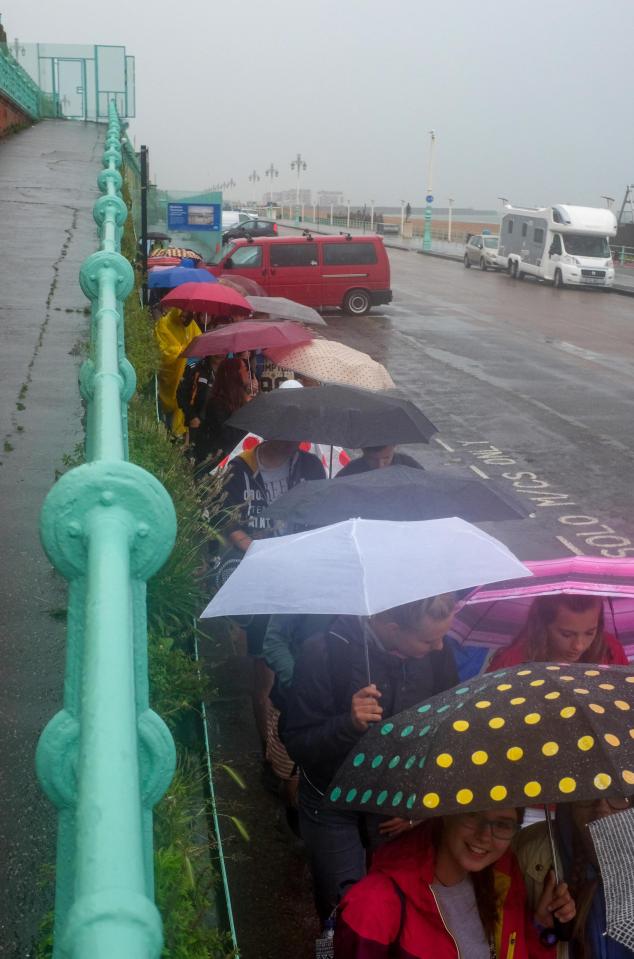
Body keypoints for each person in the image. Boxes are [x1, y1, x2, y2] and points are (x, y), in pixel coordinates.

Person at [283, 594, 459, 921]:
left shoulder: (437, 655)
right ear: (392, 628)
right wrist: (346, 725)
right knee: (344, 911)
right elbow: (297, 743)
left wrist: (422, 808)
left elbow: (447, 732)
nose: (439, 647)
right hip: (332, 804)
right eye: (428, 639)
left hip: (394, 808)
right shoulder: (324, 652)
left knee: (395, 907)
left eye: (442, 637)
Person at [336, 807, 575, 958]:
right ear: (446, 814)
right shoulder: (372, 906)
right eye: (472, 814)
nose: (484, 836)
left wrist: (540, 928)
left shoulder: (503, 879)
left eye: (502, 824)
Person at [221, 440, 326, 757]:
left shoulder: (309, 466)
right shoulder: (241, 469)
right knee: (265, 667)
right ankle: (269, 750)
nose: (291, 439)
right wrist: (254, 548)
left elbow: (325, 511)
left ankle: (292, 746)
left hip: (303, 574)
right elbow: (227, 520)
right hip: (261, 576)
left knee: (302, 654)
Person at [515, 798, 632, 959]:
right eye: (588, 797)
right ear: (569, 805)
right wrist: (540, 930)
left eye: (617, 797)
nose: (601, 811)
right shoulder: (530, 853)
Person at [487, 595, 628, 670]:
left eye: (590, 633)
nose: (578, 646)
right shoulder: (511, 663)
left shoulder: (611, 650)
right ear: (543, 626)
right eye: (566, 635)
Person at [194, 356, 253, 461]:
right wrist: (246, 411)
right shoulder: (217, 403)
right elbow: (227, 436)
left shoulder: (242, 399)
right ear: (234, 374)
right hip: (220, 461)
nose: (248, 372)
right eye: (244, 368)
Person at [155, 308, 201, 436]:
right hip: (170, 376)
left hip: (186, 375)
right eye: (183, 316)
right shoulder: (164, 324)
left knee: (182, 403)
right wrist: (185, 351)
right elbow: (164, 352)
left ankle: (179, 435)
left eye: (189, 316)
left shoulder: (192, 326)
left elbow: (199, 342)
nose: (185, 319)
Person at [336, 444, 423, 477]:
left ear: (394, 446)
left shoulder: (410, 467)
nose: (380, 466)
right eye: (372, 460)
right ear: (363, 450)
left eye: (386, 458)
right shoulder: (349, 474)